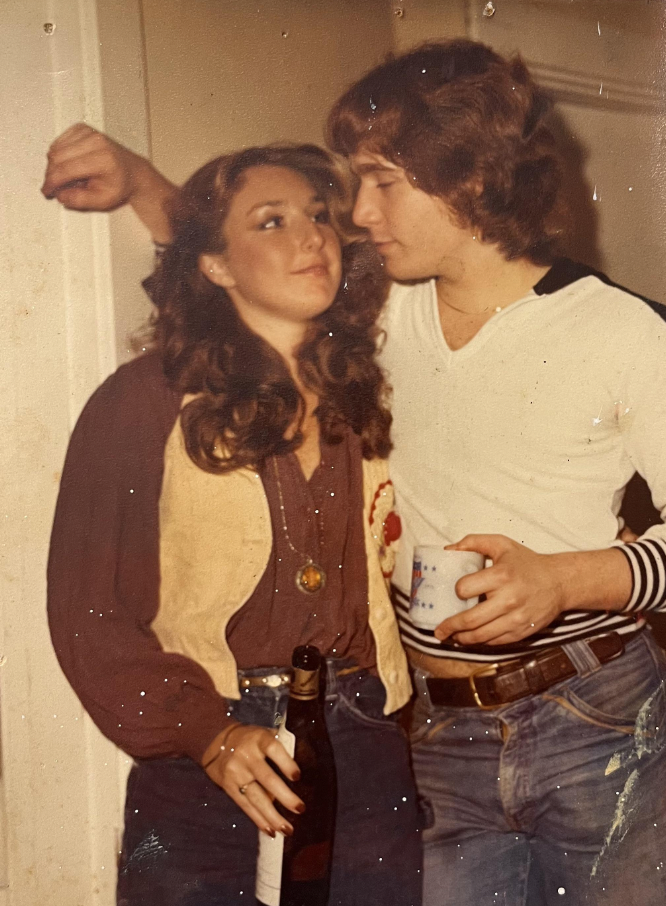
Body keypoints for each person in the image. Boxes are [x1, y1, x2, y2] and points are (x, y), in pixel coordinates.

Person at [43, 39, 666, 906]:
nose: (356, 215)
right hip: (431, 735)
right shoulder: (374, 315)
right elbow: (244, 268)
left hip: (595, 720)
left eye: (381, 182)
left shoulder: (623, 332)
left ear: (465, 179)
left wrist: (568, 579)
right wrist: (134, 179)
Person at [46, 143, 422, 906]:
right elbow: (89, 611)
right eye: (272, 222)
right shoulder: (142, 400)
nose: (312, 237)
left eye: (320, 216)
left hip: (365, 742)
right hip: (206, 749)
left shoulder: (373, 387)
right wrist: (209, 733)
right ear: (215, 266)